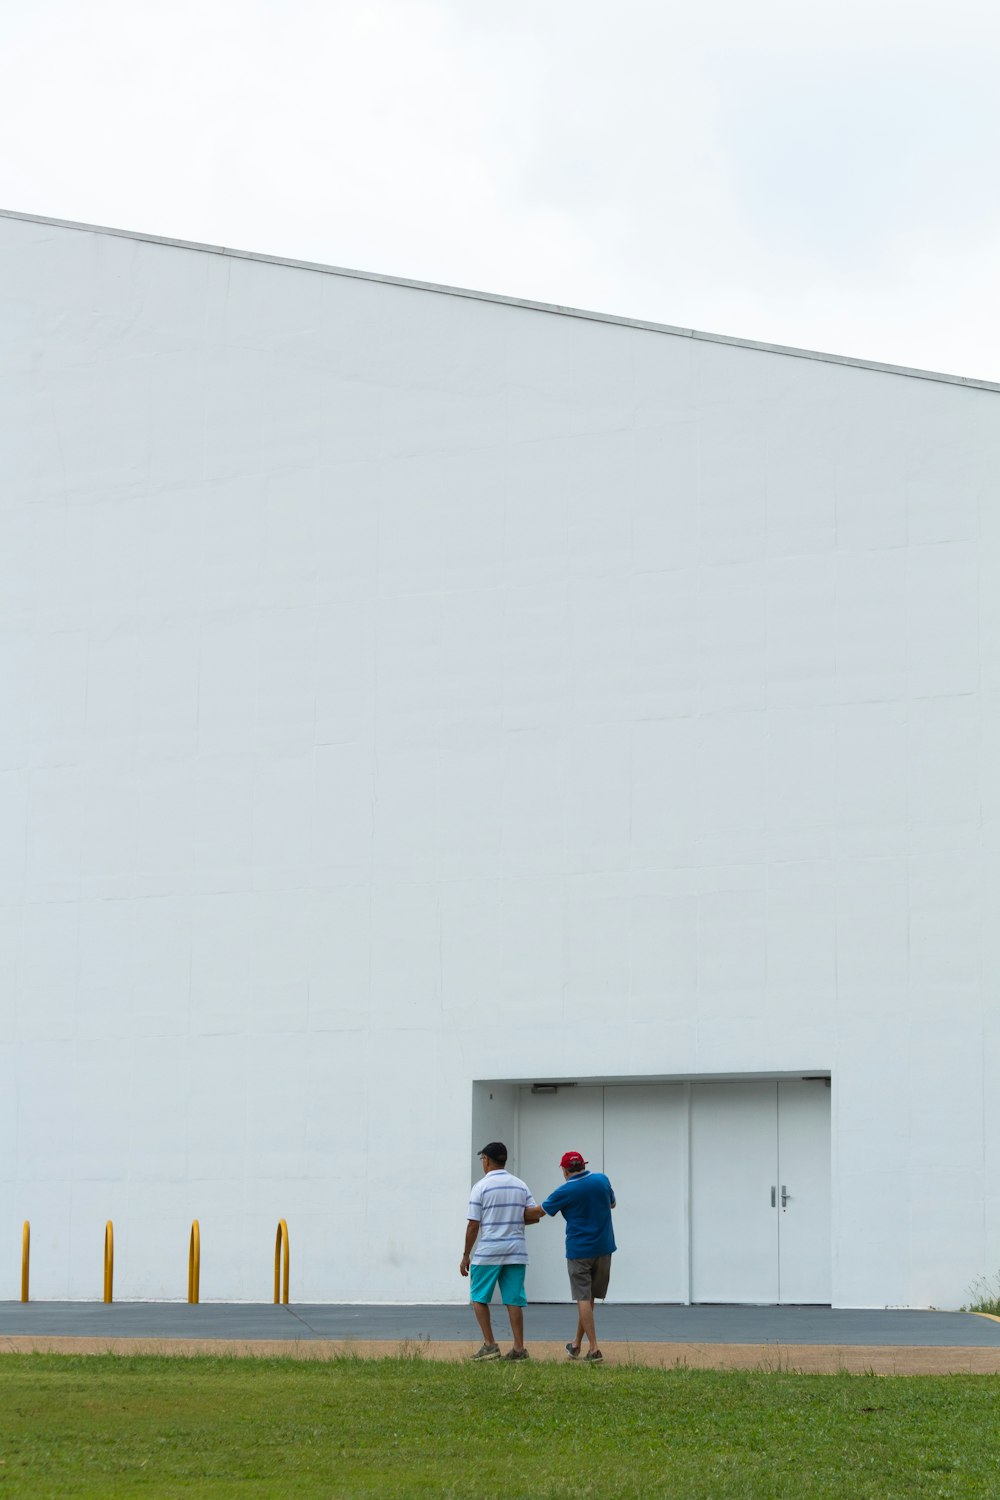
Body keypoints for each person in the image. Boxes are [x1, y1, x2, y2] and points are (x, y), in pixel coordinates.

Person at [526, 1149, 616, 1363]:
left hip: (579, 1251)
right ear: (583, 1165)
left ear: (565, 1170)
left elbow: (541, 1211)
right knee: (589, 1298)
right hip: (604, 1248)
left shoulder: (565, 1190)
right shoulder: (602, 1180)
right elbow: (612, 1204)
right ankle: (576, 1344)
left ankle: (594, 1349)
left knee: (582, 1298)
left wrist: (514, 1215)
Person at [461, 1141, 538, 1361]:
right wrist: (514, 1219)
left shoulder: (481, 1187)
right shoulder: (520, 1185)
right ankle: (519, 1348)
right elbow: (533, 1215)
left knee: (479, 1297)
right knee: (513, 1299)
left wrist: (466, 1254)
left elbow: (473, 1224)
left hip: (489, 1251)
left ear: (486, 1159)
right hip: (516, 1251)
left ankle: (490, 1345)